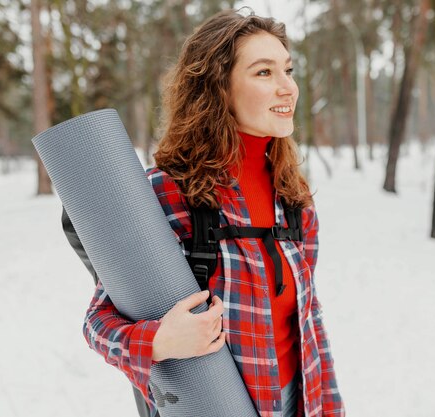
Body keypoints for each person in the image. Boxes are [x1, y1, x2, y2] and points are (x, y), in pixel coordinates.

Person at [62, 8, 344, 417]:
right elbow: (98, 323)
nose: (288, 88)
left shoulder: (293, 197)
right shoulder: (166, 191)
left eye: (289, 69)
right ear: (218, 88)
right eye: (264, 73)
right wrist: (160, 342)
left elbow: (307, 327)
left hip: (299, 402)